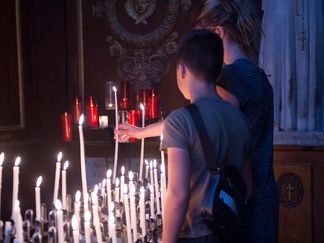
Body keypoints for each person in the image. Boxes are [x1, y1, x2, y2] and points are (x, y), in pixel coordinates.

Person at [117, 0, 279, 242]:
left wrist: (143, 132)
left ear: (219, 33)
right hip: (260, 193)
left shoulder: (233, 78)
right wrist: (141, 131)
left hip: (233, 204)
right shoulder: (256, 74)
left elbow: (203, 119)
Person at [161, 29, 253, 243]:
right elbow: (247, 188)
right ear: (218, 71)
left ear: (182, 69)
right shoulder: (240, 119)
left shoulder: (179, 121)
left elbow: (178, 193)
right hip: (229, 231)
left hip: (195, 234)